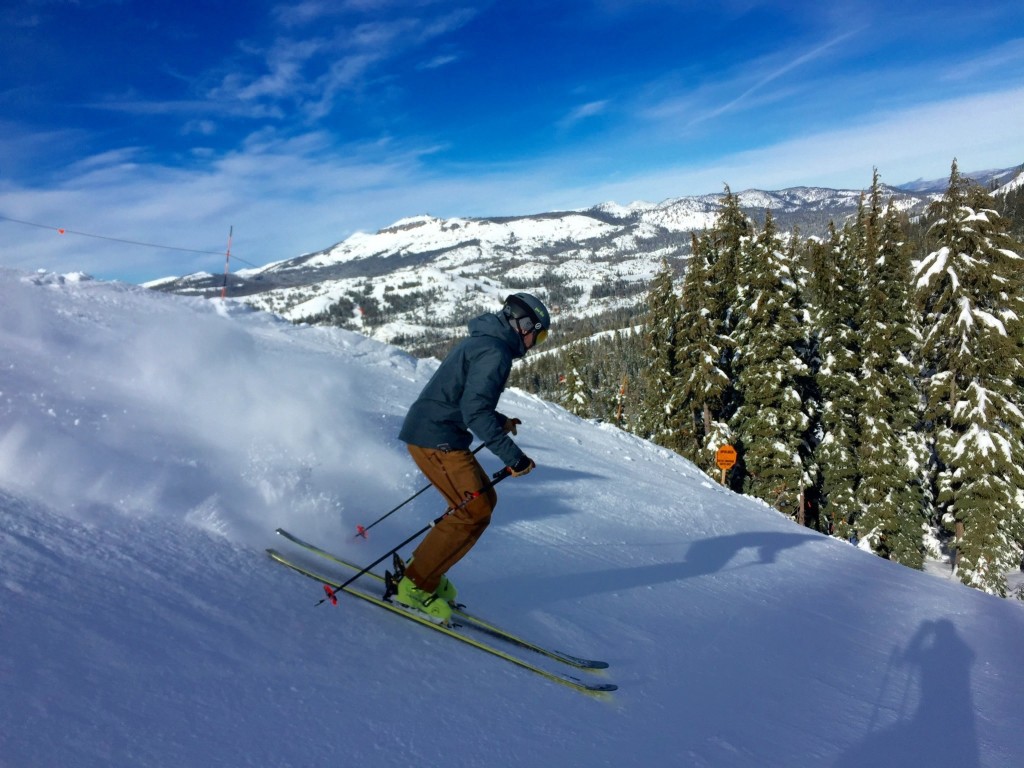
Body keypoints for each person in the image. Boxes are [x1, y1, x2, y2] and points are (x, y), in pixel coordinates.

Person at [393, 292, 551, 621]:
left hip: (438, 432)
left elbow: (469, 401)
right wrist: (515, 459)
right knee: (472, 511)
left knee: (483, 502)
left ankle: (424, 570)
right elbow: (474, 411)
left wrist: (499, 422)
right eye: (540, 334)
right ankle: (415, 584)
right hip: (436, 438)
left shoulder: (487, 343)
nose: (537, 342)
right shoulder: (495, 352)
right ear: (523, 326)